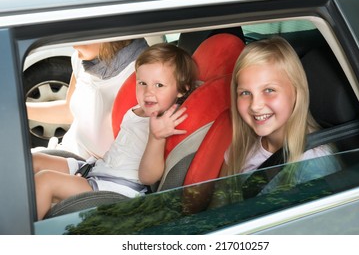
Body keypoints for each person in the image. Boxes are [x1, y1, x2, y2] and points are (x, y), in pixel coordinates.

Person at [32, 43, 198, 220]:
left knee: (44, 181)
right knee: (33, 161)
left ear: (181, 89)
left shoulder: (164, 123)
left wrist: (156, 138)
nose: (148, 92)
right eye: (142, 83)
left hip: (119, 189)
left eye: (159, 85)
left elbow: (148, 178)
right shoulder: (136, 110)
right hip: (98, 170)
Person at [221, 36, 339, 181]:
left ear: (296, 92)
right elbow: (221, 197)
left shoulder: (314, 162)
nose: (255, 105)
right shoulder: (242, 147)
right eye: (245, 93)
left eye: (269, 90)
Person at [27, 39, 149, 159]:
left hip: (95, 168)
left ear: (108, 38)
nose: (73, 45)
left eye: (82, 36)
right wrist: (19, 110)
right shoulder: (82, 61)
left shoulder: (143, 73)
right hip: (67, 152)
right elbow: (69, 111)